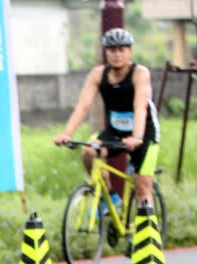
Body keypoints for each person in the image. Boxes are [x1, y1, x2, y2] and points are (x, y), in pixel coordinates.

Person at [53, 28, 160, 211]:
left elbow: (140, 107)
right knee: (88, 152)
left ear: (129, 51)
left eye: (122, 49)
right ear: (106, 52)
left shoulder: (139, 73)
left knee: (143, 187)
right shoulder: (98, 74)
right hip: (115, 132)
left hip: (144, 133)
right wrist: (67, 133)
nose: (117, 54)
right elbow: (83, 106)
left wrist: (137, 137)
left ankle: (149, 235)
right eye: (112, 50)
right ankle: (109, 197)